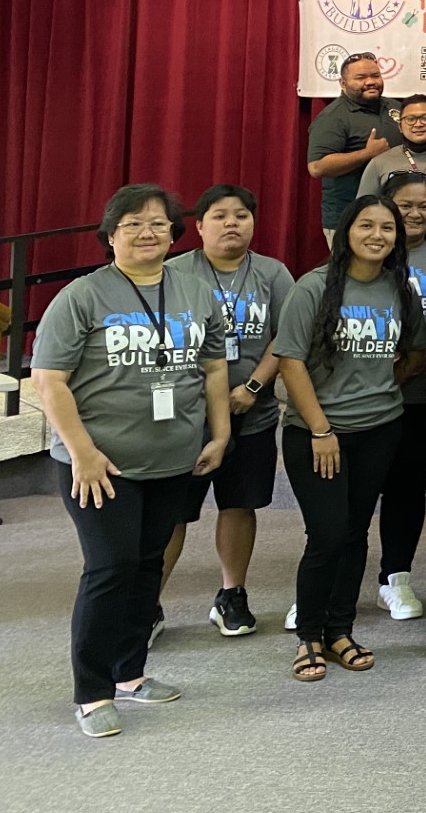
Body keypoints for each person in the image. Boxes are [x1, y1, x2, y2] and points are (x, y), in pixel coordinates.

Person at [34, 185, 231, 737]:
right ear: (110, 235)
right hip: (100, 464)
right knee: (110, 568)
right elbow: (49, 382)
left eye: (159, 223)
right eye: (132, 224)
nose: (148, 232)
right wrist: (83, 454)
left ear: (175, 233)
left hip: (173, 458)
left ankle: (130, 674)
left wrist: (219, 435)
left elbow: (213, 369)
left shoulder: (195, 290)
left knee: (148, 566)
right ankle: (92, 691)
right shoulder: (82, 295)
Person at [273, 194, 424, 683]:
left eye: (387, 228)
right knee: (327, 535)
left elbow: (418, 351)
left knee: (356, 533)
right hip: (317, 434)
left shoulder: (399, 289)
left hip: (380, 430)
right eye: (366, 225)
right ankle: (309, 637)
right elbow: (290, 360)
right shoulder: (312, 288)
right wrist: (321, 428)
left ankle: (340, 631)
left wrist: (381, 389)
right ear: (346, 232)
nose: (377, 235)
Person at [160, 186, 294, 640]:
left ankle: (231, 595)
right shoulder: (174, 272)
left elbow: (286, 336)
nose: (232, 223)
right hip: (186, 419)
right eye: (219, 216)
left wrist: (254, 387)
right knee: (172, 512)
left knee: (239, 504)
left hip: (252, 413)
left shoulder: (273, 274)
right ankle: (146, 604)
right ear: (198, 226)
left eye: (241, 215)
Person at [374, 172, 426, 622]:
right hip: (364, 397)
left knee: (406, 488)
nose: (415, 214)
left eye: (424, 205)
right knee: (351, 494)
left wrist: (423, 356)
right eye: (404, 205)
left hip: (424, 393)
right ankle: (326, 582)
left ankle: (394, 577)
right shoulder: (369, 253)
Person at [306, 53, 401, 246]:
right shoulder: (332, 117)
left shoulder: (396, 107)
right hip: (349, 217)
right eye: (361, 78)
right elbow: (317, 167)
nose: (370, 82)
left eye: (375, 75)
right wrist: (367, 154)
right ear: (343, 83)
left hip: (393, 214)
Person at [364, 95, 426, 193]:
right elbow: (364, 206)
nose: (418, 124)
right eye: (410, 119)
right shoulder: (379, 164)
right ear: (400, 126)